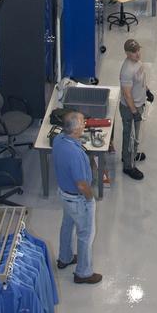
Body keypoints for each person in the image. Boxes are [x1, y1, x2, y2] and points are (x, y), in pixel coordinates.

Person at [51, 111, 102, 285]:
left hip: (64, 194)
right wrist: (90, 199)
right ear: (74, 129)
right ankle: (83, 273)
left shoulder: (58, 140)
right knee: (86, 234)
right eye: (82, 123)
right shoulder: (75, 154)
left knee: (67, 224)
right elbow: (81, 184)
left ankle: (64, 257)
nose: (85, 124)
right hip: (78, 199)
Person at [119, 37, 147, 180]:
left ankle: (129, 156)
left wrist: (147, 91)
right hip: (130, 109)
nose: (137, 54)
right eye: (134, 52)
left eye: (138, 50)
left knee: (134, 136)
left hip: (139, 104)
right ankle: (128, 166)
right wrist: (134, 112)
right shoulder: (127, 70)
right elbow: (127, 94)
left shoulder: (137, 62)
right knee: (130, 137)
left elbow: (141, 79)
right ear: (127, 54)